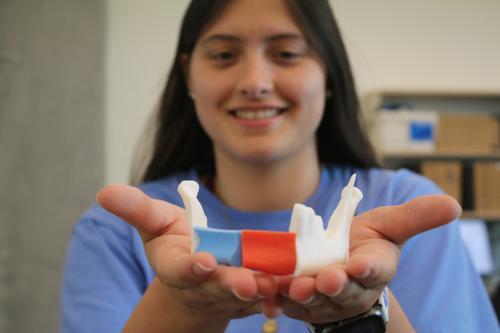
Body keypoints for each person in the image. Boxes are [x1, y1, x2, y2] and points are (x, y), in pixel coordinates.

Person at [61, 0, 499, 332]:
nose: (254, 82)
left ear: (329, 75)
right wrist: (183, 306)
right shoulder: (118, 230)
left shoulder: (407, 213)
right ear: (188, 75)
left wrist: (363, 314)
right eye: (223, 56)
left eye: (287, 53)